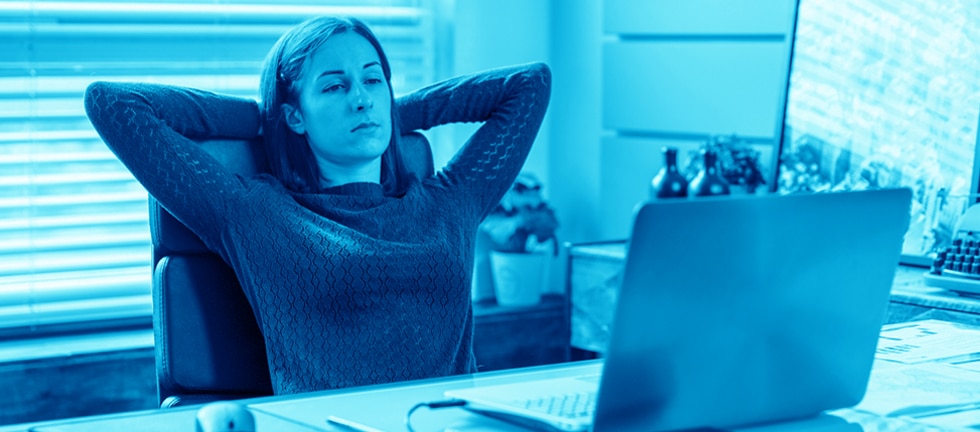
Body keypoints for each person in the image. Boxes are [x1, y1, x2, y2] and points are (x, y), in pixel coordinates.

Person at [83, 16, 551, 395]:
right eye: (334, 87)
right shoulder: (256, 214)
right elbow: (113, 103)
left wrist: (393, 109)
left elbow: (528, 85)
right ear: (295, 115)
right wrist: (265, 118)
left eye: (373, 80)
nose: (361, 99)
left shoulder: (449, 202)